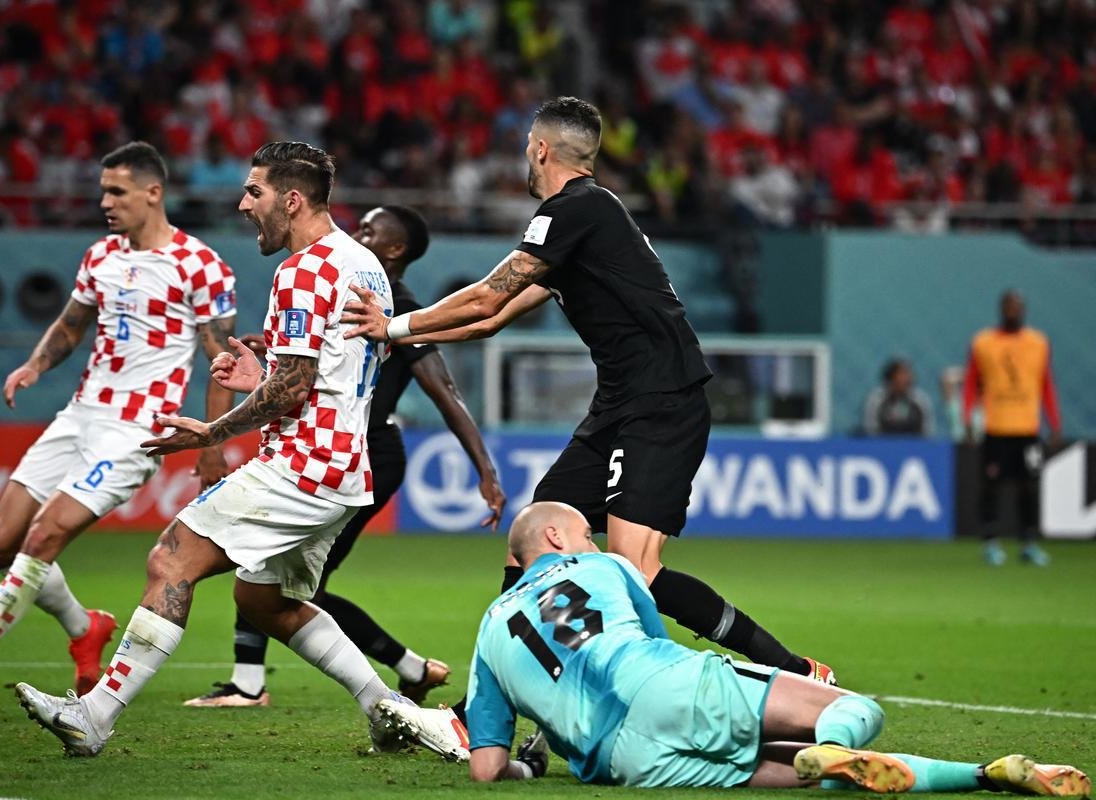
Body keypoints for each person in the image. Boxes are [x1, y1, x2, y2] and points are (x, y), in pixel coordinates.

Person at [345, 97, 833, 725]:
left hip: (662, 401)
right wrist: (404, 333)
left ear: (541, 149)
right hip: (617, 406)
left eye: (527, 146)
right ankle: (476, 713)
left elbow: (486, 295)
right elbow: (492, 318)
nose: (525, 155)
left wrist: (394, 326)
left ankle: (792, 673)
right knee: (530, 545)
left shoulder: (581, 209)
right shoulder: (580, 227)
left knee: (634, 573)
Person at [11, 141, 462, 761]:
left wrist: (212, 431)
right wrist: (264, 372)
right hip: (343, 465)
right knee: (266, 601)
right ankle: (392, 709)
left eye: (255, 192)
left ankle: (94, 715)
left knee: (172, 561)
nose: (242, 203)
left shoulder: (304, 270)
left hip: (301, 465)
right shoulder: (362, 264)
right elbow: (327, 370)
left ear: (293, 199)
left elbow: (296, 386)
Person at [381, 501, 1091, 795]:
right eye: (587, 532)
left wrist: (527, 767)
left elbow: (485, 768)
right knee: (855, 711)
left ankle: (988, 774)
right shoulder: (607, 567)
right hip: (666, 685)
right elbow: (656, 648)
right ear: (560, 539)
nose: (593, 541)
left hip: (626, 764)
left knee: (802, 776)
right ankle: (835, 739)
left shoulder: (487, 631)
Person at [0, 141, 238, 702]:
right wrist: (35, 364)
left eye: (117, 191)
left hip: (137, 429)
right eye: (103, 191)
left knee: (45, 534)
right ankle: (86, 630)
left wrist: (212, 442)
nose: (105, 201)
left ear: (153, 193)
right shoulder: (100, 256)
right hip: (78, 415)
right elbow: (70, 323)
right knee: (0, 542)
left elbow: (221, 358)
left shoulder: (200, 265)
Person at [186, 205, 506, 708]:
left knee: (281, 579)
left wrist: (485, 471)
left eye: (369, 230)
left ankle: (259, 683)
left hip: (363, 451)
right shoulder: (346, 285)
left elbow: (444, 389)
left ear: (395, 249)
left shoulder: (395, 305)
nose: (355, 234)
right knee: (277, 577)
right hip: (337, 447)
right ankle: (405, 669)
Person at [962, 290, 1061, 567]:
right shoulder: (983, 342)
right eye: (1008, 306)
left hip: (1028, 429)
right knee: (991, 486)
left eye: (1017, 306)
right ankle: (991, 543)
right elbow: (972, 383)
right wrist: (968, 418)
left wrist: (1054, 422)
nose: (1012, 311)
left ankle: (1029, 543)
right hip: (996, 427)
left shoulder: (1038, 342)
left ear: (1024, 310)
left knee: (1029, 486)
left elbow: (1046, 383)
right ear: (1000, 309)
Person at [861, 358, 935, 436]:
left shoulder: (920, 400)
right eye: (901, 374)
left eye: (908, 374)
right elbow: (871, 430)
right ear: (890, 377)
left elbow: (927, 431)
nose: (906, 378)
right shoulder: (876, 399)